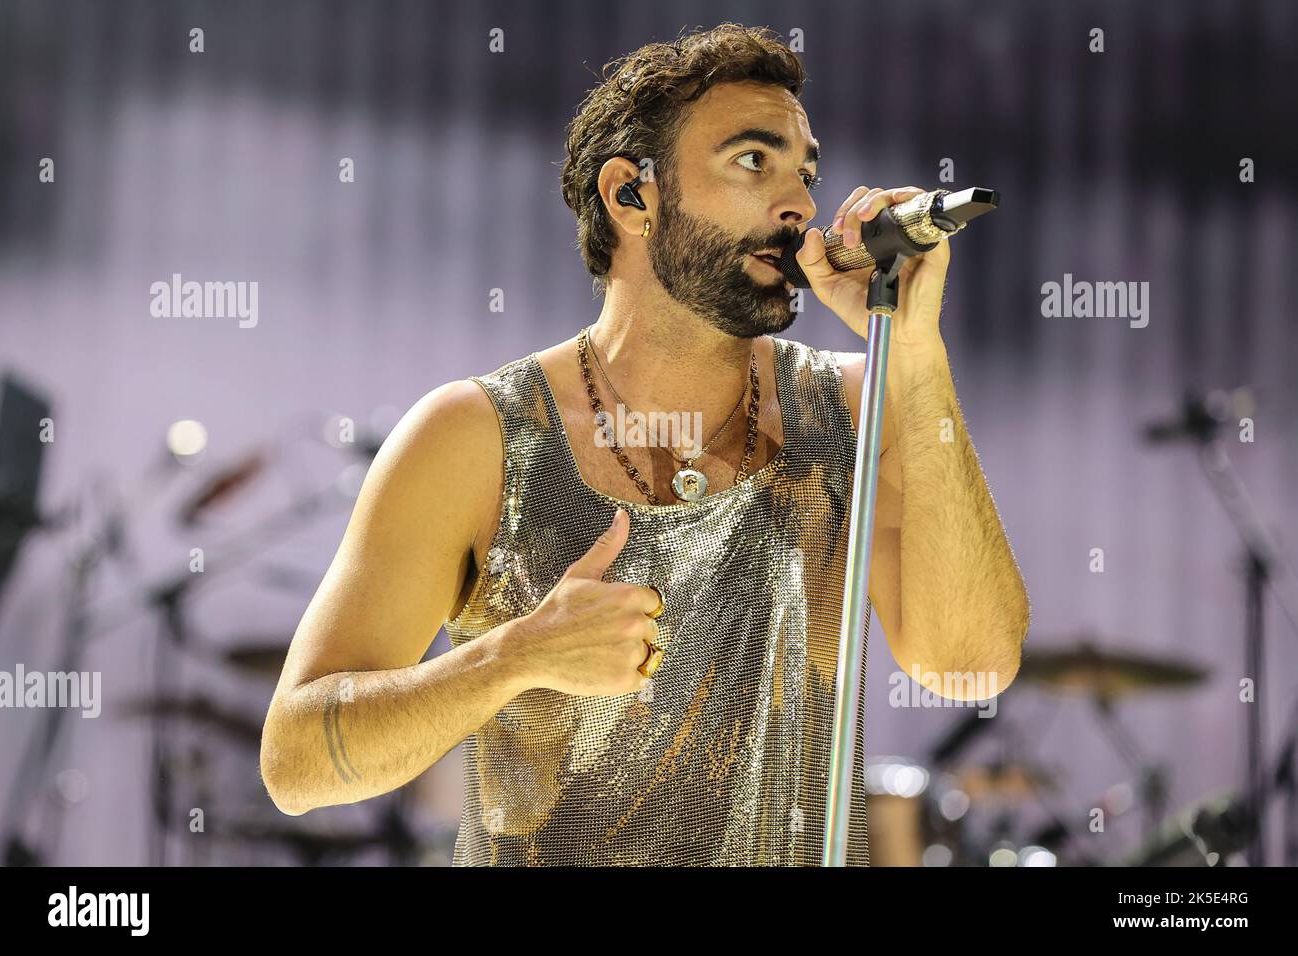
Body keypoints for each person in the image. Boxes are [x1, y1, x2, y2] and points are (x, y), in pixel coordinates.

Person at [260, 22, 1030, 866]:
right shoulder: (473, 435)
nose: (801, 205)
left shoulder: (854, 405)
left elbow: (972, 668)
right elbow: (297, 765)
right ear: (631, 195)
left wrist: (914, 352)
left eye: (806, 174)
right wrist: (513, 658)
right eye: (752, 161)